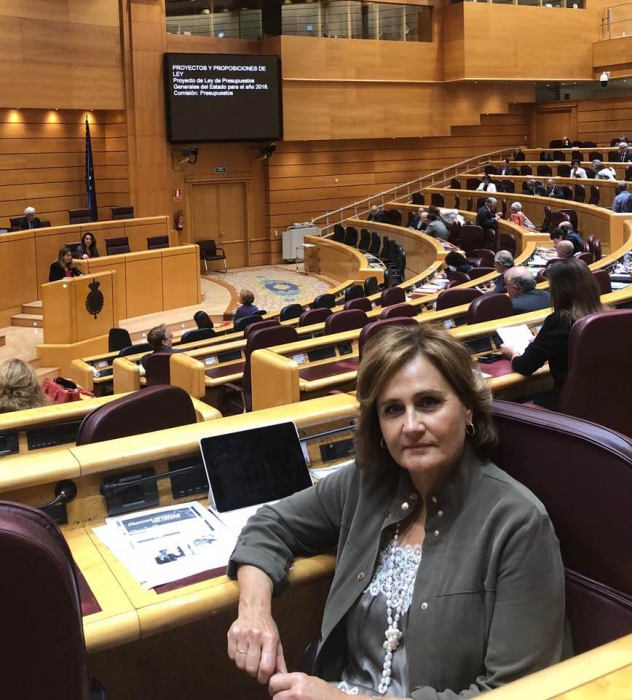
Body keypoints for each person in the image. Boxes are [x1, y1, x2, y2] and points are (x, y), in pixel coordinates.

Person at [227, 324, 566, 699]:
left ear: (468, 408)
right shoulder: (365, 483)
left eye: (429, 403)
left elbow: (518, 692)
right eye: (392, 410)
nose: (410, 426)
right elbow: (269, 525)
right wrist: (254, 611)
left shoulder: (517, 523)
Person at [501, 258, 605, 407]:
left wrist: (513, 353)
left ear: (558, 290)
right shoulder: (606, 314)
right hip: (603, 400)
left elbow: (525, 366)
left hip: (571, 404)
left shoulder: (560, 320)